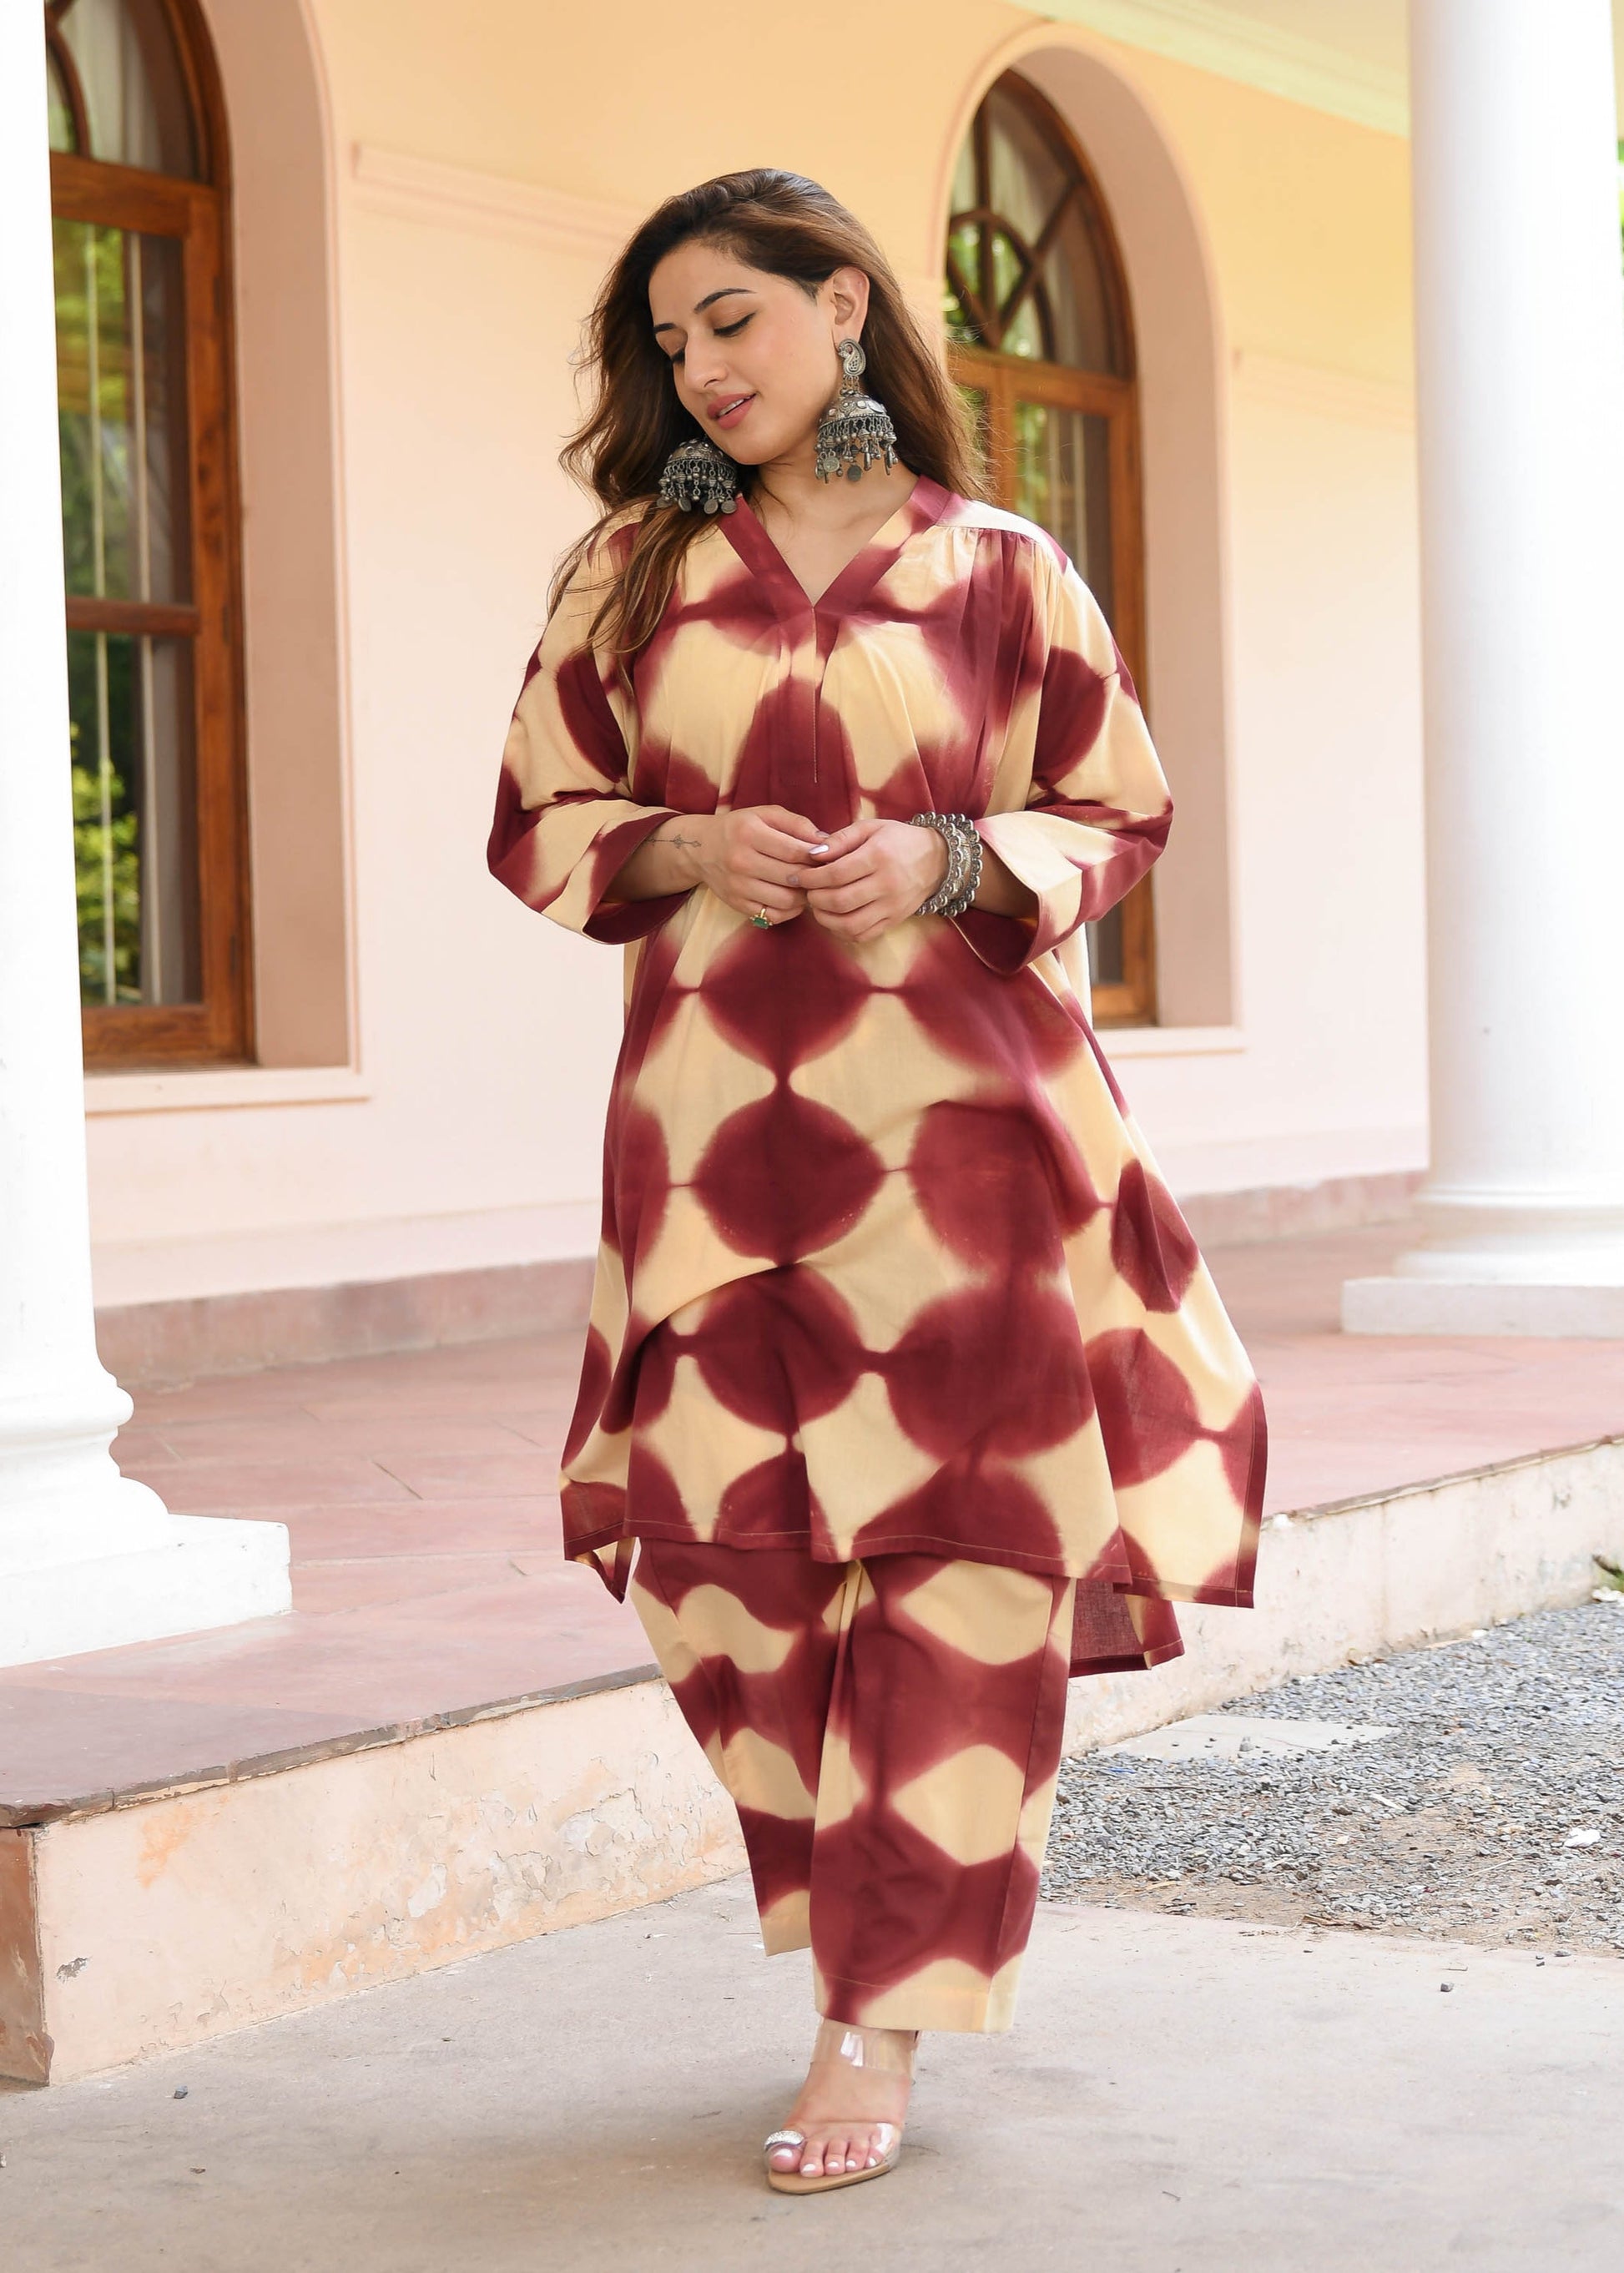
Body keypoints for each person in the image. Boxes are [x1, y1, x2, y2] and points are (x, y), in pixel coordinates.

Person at [488, 167, 1266, 2195]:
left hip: (965, 1140)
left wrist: (948, 855)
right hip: (713, 1141)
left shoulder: (1002, 569)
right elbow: (540, 817)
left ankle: (874, 2008)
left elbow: (1116, 809)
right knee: (722, 1557)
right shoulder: (631, 575)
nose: (698, 367)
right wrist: (685, 845)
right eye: (668, 341)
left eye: (730, 318)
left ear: (842, 307)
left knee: (962, 1551)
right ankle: (851, 1914)